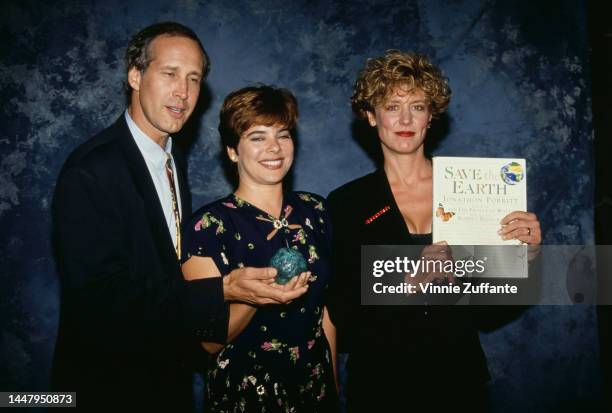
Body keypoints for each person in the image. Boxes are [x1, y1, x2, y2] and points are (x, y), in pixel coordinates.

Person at [51, 23, 306, 412]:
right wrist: (223, 289)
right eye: (169, 74)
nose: (182, 92)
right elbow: (101, 302)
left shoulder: (171, 158)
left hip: (163, 382)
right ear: (135, 76)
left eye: (193, 78)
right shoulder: (91, 170)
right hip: (105, 387)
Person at [326, 50, 542, 411]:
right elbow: (340, 311)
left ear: (431, 117)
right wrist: (404, 283)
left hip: (459, 379)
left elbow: (495, 305)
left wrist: (527, 256)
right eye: (392, 106)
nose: (406, 118)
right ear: (370, 116)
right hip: (380, 383)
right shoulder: (346, 202)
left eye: (418, 106)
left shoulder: (474, 188)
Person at [181, 85, 338, 412]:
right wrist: (257, 295)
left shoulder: (316, 211)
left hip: (315, 386)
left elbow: (326, 313)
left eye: (283, 135)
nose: (274, 148)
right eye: (257, 137)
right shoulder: (206, 227)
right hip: (247, 393)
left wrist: (334, 389)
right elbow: (209, 342)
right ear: (232, 151)